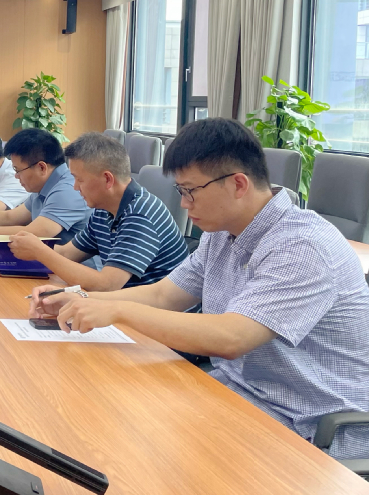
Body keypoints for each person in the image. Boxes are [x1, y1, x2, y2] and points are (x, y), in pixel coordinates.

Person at [29, 119, 369, 459]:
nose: (184, 204)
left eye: (190, 191)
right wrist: (81, 298)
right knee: (106, 414)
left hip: (310, 426)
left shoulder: (302, 246)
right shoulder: (221, 234)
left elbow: (231, 338)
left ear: (238, 184)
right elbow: (163, 295)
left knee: (134, 445)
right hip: (239, 395)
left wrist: (116, 309)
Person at [8, 132, 187, 291]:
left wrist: (40, 251)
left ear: (107, 179)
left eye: (80, 180)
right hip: (123, 306)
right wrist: (26, 250)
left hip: (154, 314)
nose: (75, 187)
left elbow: (107, 284)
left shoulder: (140, 214)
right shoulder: (104, 210)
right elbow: (66, 254)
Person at [0, 128, 90, 242]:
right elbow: (9, 217)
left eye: (18, 170)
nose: (16, 176)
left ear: (41, 168)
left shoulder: (67, 189)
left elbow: (36, 232)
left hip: (74, 269)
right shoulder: (43, 187)